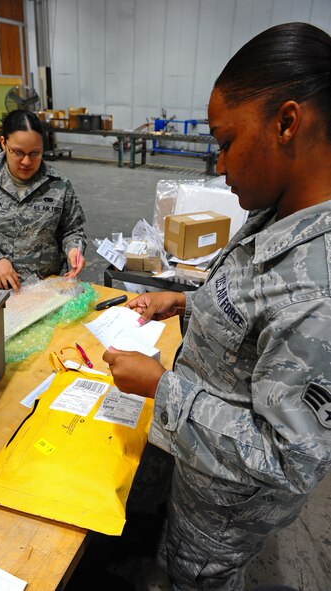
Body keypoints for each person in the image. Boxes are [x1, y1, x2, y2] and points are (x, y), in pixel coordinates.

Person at [103, 22, 331, 591]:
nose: (220, 165)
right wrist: (184, 299)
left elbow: (289, 459)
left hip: (222, 516)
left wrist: (162, 389)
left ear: (286, 122)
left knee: (194, 576)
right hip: (195, 470)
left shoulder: (320, 292)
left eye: (226, 142)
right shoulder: (281, 212)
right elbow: (252, 303)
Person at [0, 109, 86, 292]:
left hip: (47, 289)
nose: (26, 162)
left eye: (35, 153)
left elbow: (72, 230)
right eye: (17, 152)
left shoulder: (59, 185)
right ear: (3, 143)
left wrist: (73, 249)